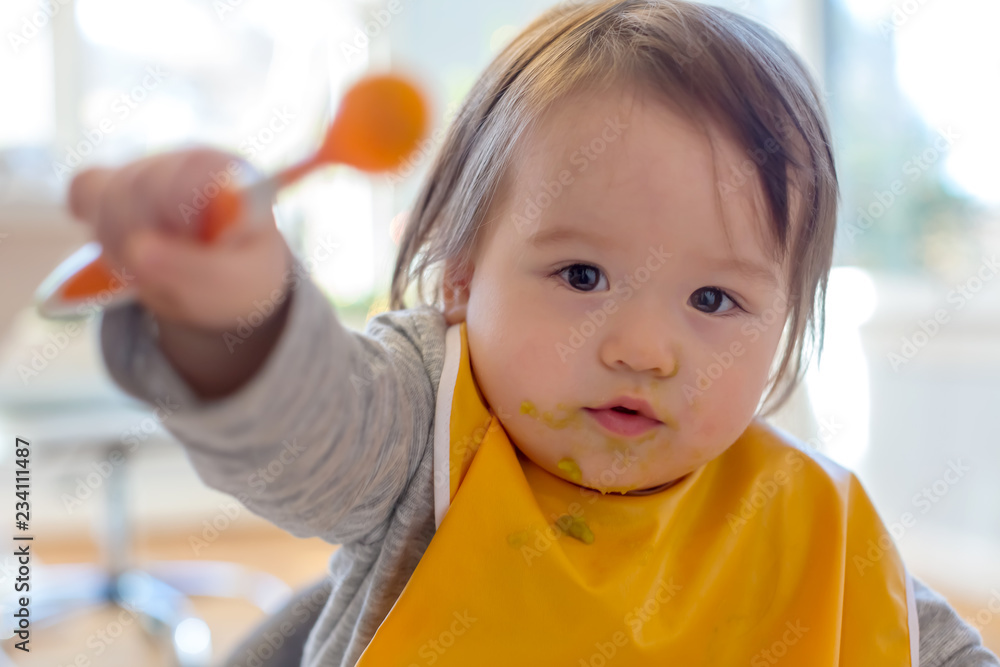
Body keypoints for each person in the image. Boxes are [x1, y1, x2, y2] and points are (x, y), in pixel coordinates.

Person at [72, 1, 998, 665]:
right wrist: (237, 312)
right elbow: (305, 428)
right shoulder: (423, 427)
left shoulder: (811, 524)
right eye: (581, 276)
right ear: (466, 273)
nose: (644, 348)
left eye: (714, 300)